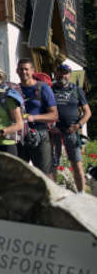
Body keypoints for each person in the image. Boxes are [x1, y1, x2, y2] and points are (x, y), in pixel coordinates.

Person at [16, 59, 58, 179]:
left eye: (26, 69)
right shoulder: (15, 89)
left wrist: (33, 117)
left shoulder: (43, 88)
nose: (23, 72)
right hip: (20, 135)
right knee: (20, 174)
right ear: (17, 71)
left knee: (45, 174)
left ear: (32, 71)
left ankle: (50, 198)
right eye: (21, 69)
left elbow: (54, 115)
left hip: (40, 134)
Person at [52, 64, 91, 193]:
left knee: (77, 165)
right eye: (60, 72)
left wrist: (78, 126)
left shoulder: (76, 90)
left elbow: (88, 113)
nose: (62, 75)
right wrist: (51, 126)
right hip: (54, 132)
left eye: (65, 73)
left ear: (69, 75)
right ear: (55, 73)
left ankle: (82, 195)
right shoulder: (50, 89)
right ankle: (53, 196)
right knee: (53, 165)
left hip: (71, 131)